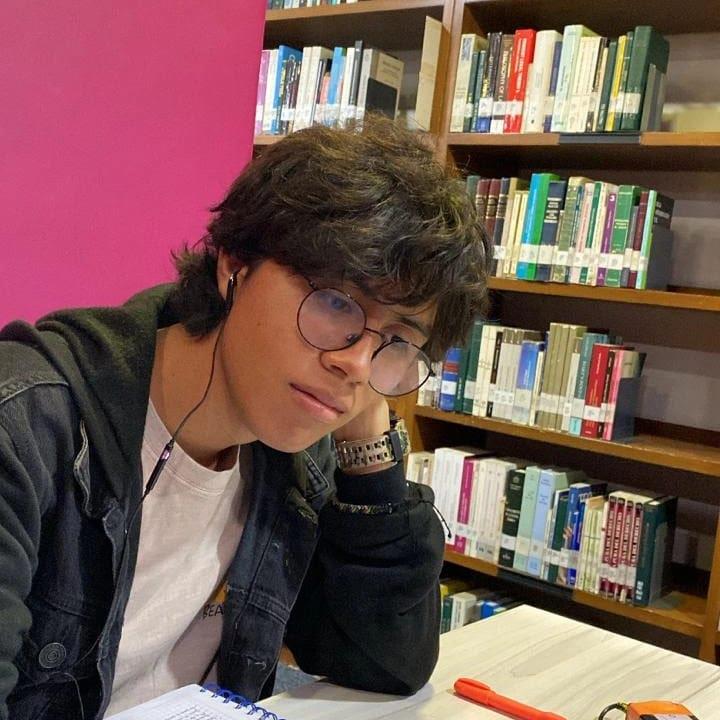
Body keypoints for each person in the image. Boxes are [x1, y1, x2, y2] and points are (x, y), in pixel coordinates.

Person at [0, 114, 489, 720]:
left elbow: (387, 663)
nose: (357, 364)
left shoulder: (295, 459)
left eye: (397, 340)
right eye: (336, 303)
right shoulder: (26, 428)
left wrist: (365, 435)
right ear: (234, 264)